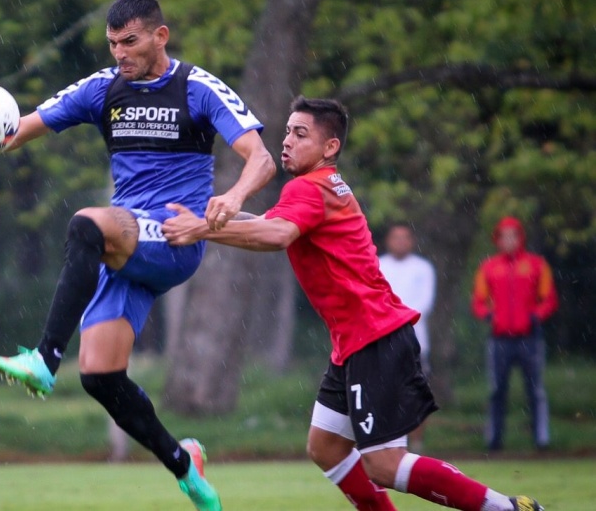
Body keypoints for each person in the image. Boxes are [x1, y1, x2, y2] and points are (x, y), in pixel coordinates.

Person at [0, 0, 275, 511]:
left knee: (85, 222)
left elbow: (261, 157)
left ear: (160, 36)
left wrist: (232, 197)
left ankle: (45, 359)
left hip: (173, 236)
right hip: (125, 247)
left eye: (131, 41)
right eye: (113, 42)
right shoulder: (103, 88)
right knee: (99, 375)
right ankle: (185, 466)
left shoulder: (198, 88)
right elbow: (12, 132)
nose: (120, 53)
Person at [162, 95, 544, 511]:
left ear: (331, 147)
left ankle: (506, 508)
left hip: (374, 337)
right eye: (287, 131)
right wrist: (209, 218)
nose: (287, 141)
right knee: (325, 446)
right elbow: (271, 225)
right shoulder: (318, 187)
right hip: (357, 341)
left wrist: (200, 230)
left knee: (383, 464)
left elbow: (276, 237)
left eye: (301, 133)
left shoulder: (308, 188)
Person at [471, 217, 558, 452]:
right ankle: (494, 440)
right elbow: (479, 302)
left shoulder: (536, 265)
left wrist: (535, 317)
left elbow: (548, 299)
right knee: (496, 390)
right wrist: (491, 316)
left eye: (513, 235)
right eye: (504, 236)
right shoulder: (488, 267)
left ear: (521, 238)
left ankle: (541, 439)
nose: (508, 240)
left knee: (536, 390)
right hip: (499, 339)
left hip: (529, 338)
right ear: (497, 239)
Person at [378, 222, 436, 452]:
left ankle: (416, 444)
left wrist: (398, 320)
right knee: (384, 394)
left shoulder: (423, 268)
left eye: (405, 237)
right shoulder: (378, 265)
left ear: (411, 241)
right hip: (383, 341)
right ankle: (387, 444)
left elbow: (424, 303)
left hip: (415, 342)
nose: (400, 242)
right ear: (388, 241)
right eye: (396, 237)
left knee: (414, 395)